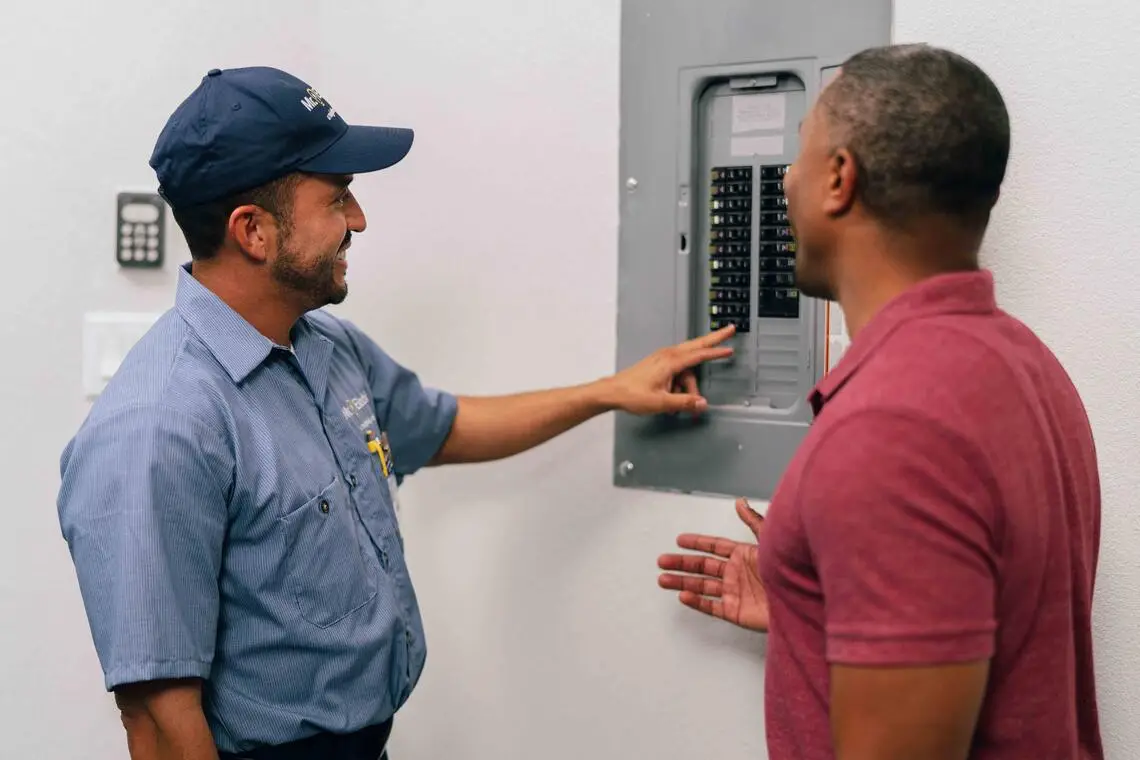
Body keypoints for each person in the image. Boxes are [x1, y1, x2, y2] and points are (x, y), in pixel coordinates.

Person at [56, 66, 735, 760]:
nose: (359, 220)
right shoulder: (156, 429)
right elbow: (160, 724)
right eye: (337, 198)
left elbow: (444, 428)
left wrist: (611, 391)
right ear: (253, 231)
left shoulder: (326, 346)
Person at [656, 43, 1103, 760]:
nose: (787, 184)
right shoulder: (1024, 364)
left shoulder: (891, 432)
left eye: (800, 156)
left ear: (838, 178)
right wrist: (820, 608)